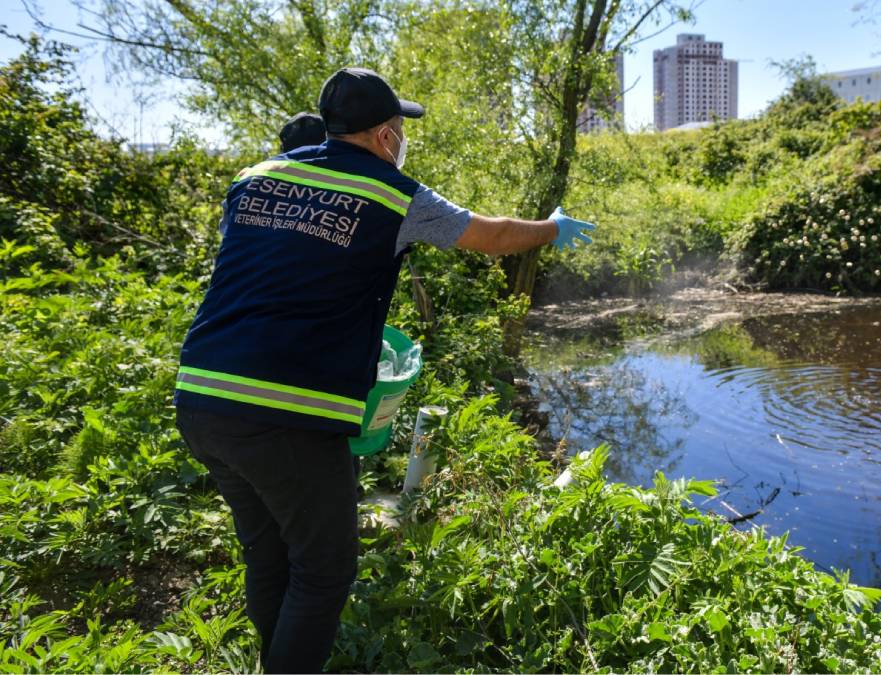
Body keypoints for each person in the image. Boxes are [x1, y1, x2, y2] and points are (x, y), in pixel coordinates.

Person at [173, 67, 595, 673]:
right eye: (397, 127)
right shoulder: (395, 194)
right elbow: (495, 235)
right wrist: (553, 227)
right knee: (324, 572)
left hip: (202, 399)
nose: (400, 138)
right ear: (381, 134)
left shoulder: (254, 178)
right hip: (285, 412)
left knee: (268, 557)